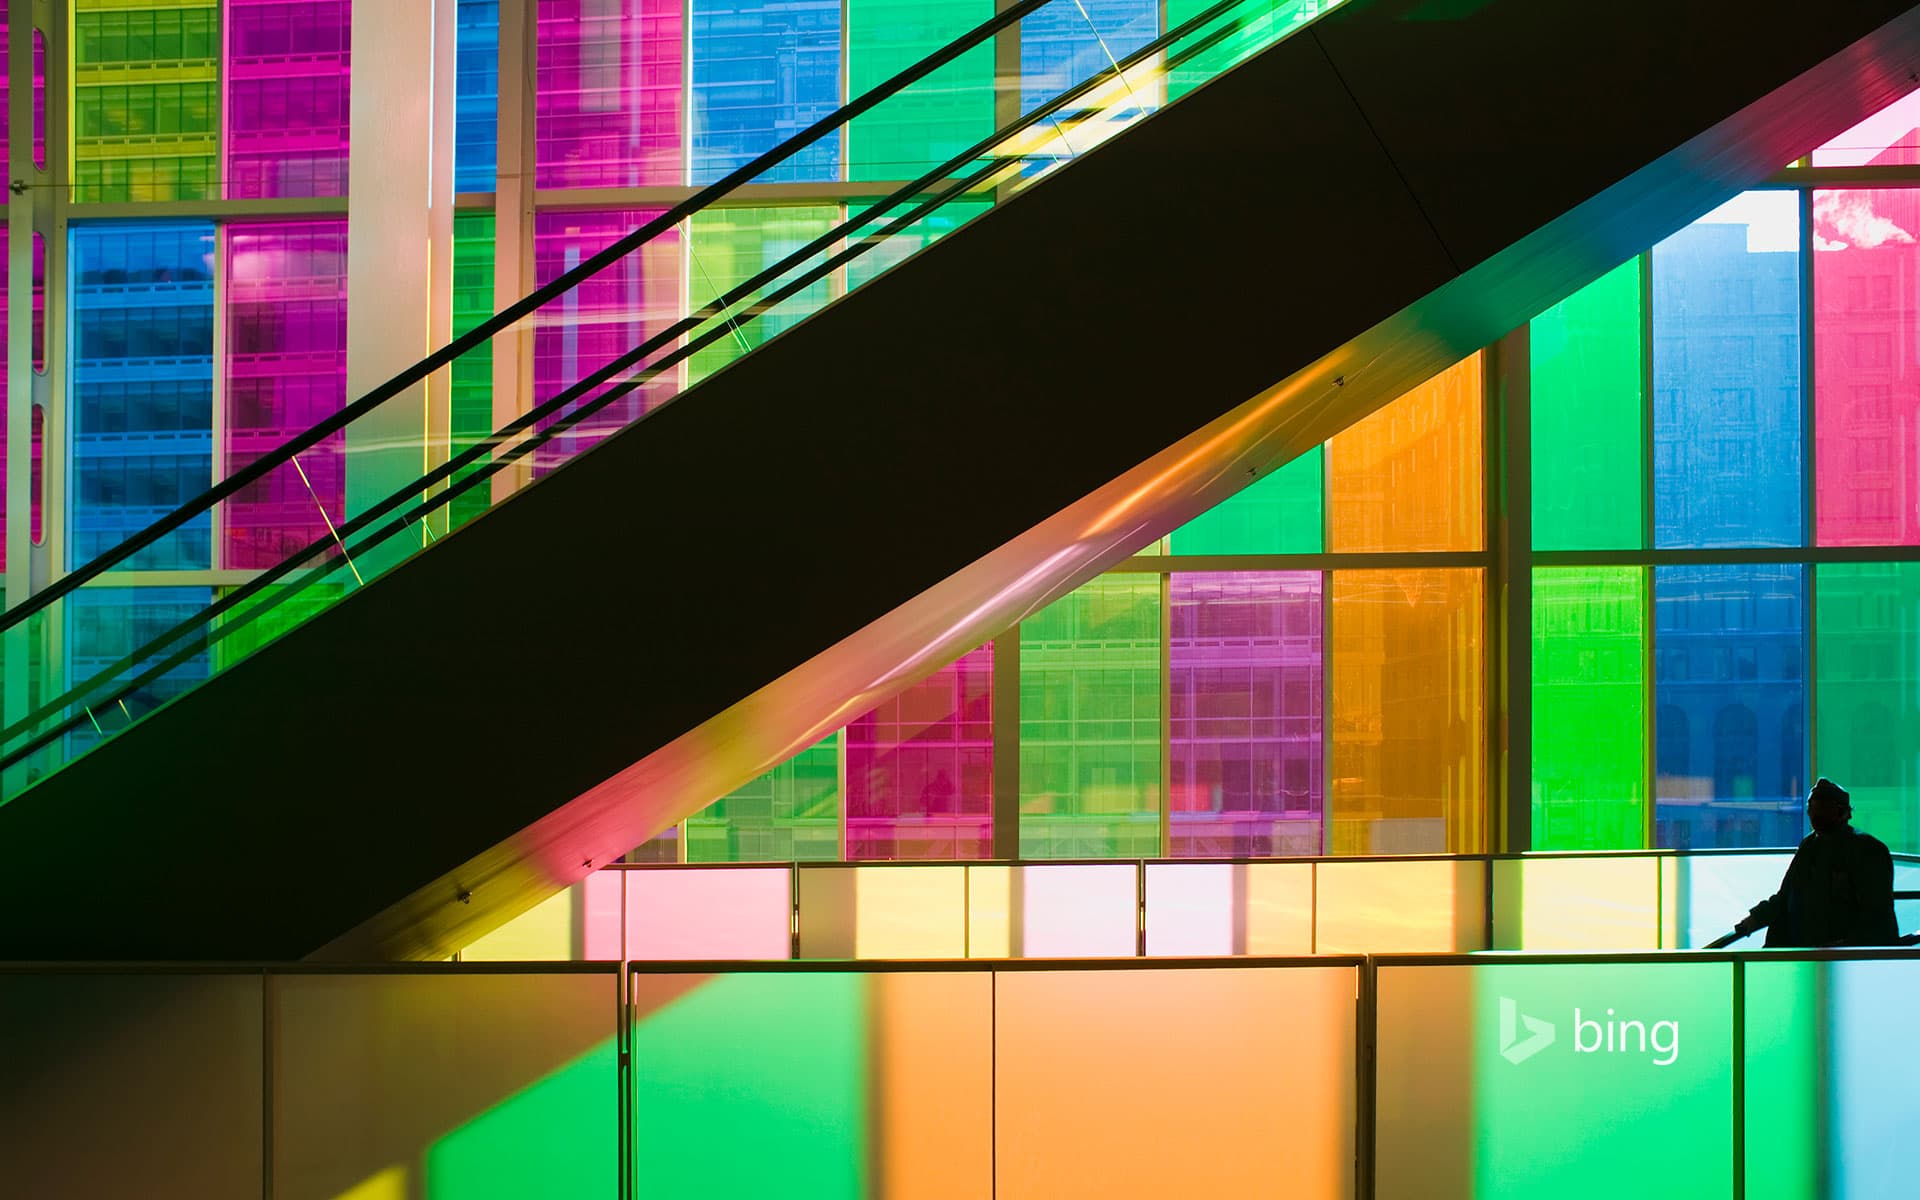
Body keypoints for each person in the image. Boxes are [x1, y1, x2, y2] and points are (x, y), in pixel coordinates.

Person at [1731, 778, 1898, 947]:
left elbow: (1877, 918)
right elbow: (1785, 897)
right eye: (1813, 808)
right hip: (1808, 954)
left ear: (1843, 813)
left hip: (1842, 960)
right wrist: (1754, 919)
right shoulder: (1810, 845)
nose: (1816, 814)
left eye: (1823, 808)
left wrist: (1843, 947)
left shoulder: (1867, 850)